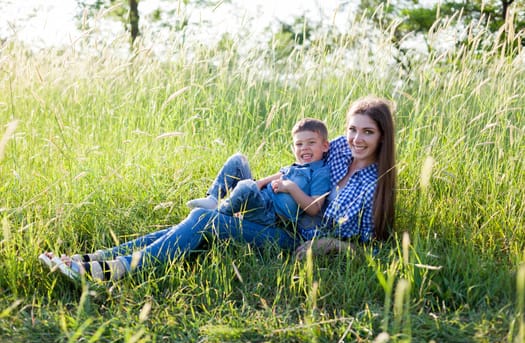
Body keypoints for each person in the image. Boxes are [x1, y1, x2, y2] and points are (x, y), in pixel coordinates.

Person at [39, 96, 396, 282]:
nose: (357, 139)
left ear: (382, 137)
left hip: (290, 240)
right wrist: (268, 182)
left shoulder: (373, 183)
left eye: (368, 132)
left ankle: (114, 270)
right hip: (273, 215)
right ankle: (95, 258)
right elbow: (300, 163)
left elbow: (371, 246)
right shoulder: (337, 151)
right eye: (353, 129)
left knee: (203, 219)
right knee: (202, 217)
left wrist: (330, 243)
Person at [186, 118, 331, 229]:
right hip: (260, 197)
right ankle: (213, 198)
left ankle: (218, 214)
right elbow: (280, 174)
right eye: (299, 144)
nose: (304, 148)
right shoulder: (298, 165)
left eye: (311, 143)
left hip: (269, 214)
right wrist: (260, 183)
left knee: (246, 187)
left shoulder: (320, 173)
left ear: (325, 146)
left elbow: (314, 208)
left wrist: (290, 187)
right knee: (238, 160)